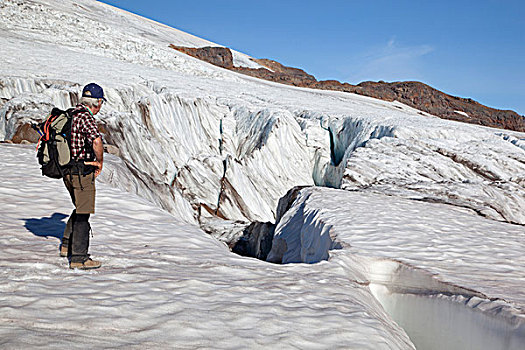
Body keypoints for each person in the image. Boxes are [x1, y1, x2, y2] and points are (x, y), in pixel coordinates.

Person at [60, 83, 105, 269]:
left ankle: (65, 245)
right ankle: (79, 258)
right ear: (97, 102)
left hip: (68, 171)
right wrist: (100, 161)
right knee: (83, 212)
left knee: (79, 207)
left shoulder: (72, 114)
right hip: (81, 171)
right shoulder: (86, 117)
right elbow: (96, 141)